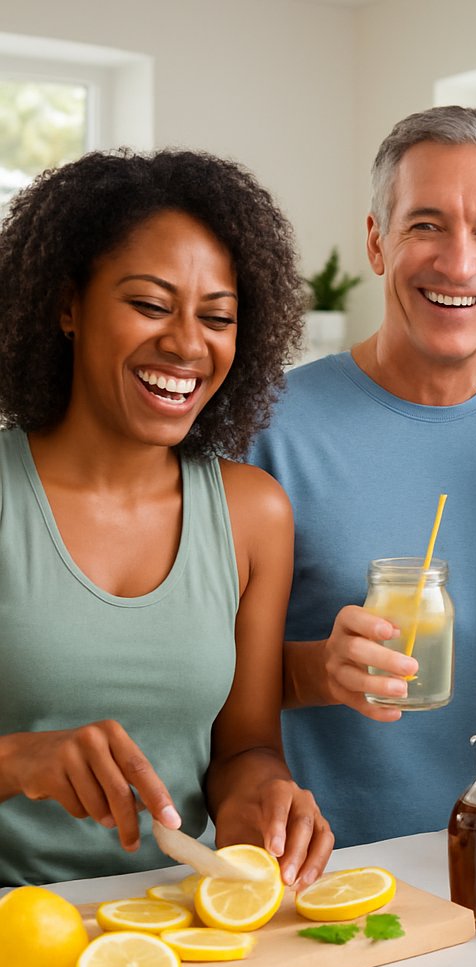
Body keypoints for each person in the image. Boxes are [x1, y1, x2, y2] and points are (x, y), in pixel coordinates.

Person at [249, 106, 476, 847]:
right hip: (325, 877)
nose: (459, 262)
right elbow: (199, 682)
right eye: (426, 224)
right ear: (378, 242)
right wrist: (320, 670)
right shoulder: (269, 427)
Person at [0, 149, 333, 889]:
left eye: (217, 317)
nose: (187, 345)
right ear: (66, 305)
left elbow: (244, 748)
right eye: (150, 305)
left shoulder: (254, 513)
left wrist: (265, 798)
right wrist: (19, 760)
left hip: (179, 927)